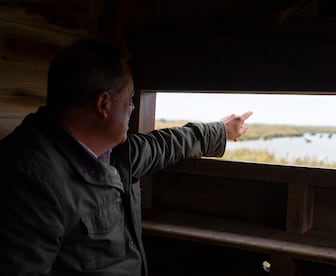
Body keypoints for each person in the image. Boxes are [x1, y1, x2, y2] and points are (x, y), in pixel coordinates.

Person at [0, 39, 252, 275]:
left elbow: (167, 144)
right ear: (103, 104)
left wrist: (220, 131)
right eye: (130, 99)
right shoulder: (28, 182)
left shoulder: (115, 154)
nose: (131, 108)